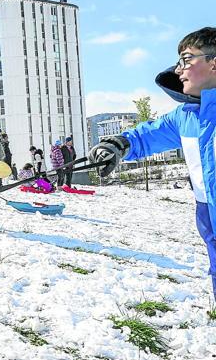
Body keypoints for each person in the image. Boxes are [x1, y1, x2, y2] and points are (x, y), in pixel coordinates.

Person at [88, 27, 216, 299]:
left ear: (213, 63)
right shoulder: (186, 116)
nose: (179, 70)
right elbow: (145, 136)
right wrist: (117, 145)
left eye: (186, 59)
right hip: (208, 217)